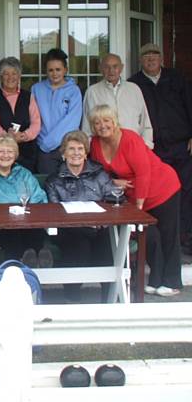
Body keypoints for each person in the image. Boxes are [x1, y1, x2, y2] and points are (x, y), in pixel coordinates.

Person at [88, 104, 183, 296]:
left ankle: (172, 282)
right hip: (134, 196)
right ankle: (156, 280)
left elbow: (144, 173)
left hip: (162, 189)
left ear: (114, 121)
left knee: (168, 236)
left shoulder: (130, 138)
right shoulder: (96, 144)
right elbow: (99, 173)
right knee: (148, 235)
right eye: (97, 122)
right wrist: (114, 181)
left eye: (106, 120)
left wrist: (139, 207)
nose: (102, 125)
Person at [129, 42, 192, 255]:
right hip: (154, 150)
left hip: (181, 145)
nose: (151, 59)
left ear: (162, 58)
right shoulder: (134, 83)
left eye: (155, 55)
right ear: (140, 60)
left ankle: (184, 237)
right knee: (157, 194)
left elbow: (190, 104)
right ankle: (159, 241)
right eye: (146, 55)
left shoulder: (176, 78)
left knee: (184, 190)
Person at [44, 131, 120, 301]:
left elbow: (114, 197)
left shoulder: (99, 174)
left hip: (98, 227)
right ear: (63, 154)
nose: (76, 153)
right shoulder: (54, 180)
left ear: (86, 153)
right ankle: (72, 296)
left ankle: (108, 298)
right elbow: (55, 210)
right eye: (71, 149)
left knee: (105, 241)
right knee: (80, 244)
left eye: (80, 148)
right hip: (68, 229)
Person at [0, 136, 50, 266]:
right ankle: (23, 265)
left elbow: (39, 197)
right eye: (1, 151)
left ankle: (34, 260)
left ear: (15, 155)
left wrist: (26, 215)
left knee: (35, 230)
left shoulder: (24, 174)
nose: (5, 155)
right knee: (12, 235)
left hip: (26, 221)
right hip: (0, 225)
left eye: (10, 152)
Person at [81, 53, 153, 148]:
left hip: (133, 147)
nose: (111, 71)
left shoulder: (134, 89)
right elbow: (87, 127)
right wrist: (90, 149)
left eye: (115, 66)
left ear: (121, 68)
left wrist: (146, 145)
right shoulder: (92, 91)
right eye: (107, 67)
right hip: (105, 148)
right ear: (101, 68)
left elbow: (145, 122)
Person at [31, 48, 82, 174]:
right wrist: (43, 143)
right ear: (46, 71)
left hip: (66, 147)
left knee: (69, 187)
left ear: (65, 69)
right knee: (47, 185)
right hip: (43, 148)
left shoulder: (74, 91)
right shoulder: (37, 89)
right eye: (51, 70)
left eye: (58, 69)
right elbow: (34, 117)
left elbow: (72, 121)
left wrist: (49, 142)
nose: (55, 73)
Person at [0, 56, 41, 172]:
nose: (10, 77)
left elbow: (36, 123)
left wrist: (23, 135)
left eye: (14, 73)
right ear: (0, 76)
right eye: (6, 74)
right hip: (2, 152)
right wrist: (7, 137)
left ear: (19, 76)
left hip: (27, 152)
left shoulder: (29, 97)